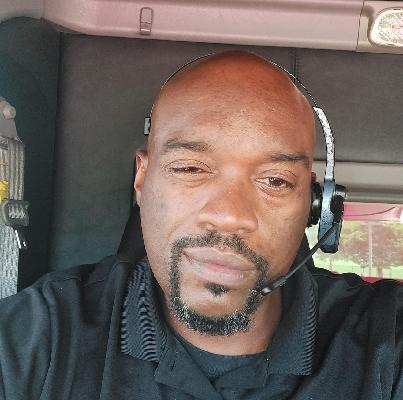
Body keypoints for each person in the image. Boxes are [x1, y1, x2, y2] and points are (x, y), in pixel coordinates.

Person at [0, 51, 402, 400]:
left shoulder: (384, 341)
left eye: (275, 181)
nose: (229, 215)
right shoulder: (39, 338)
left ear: (315, 205)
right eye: (190, 168)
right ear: (142, 179)